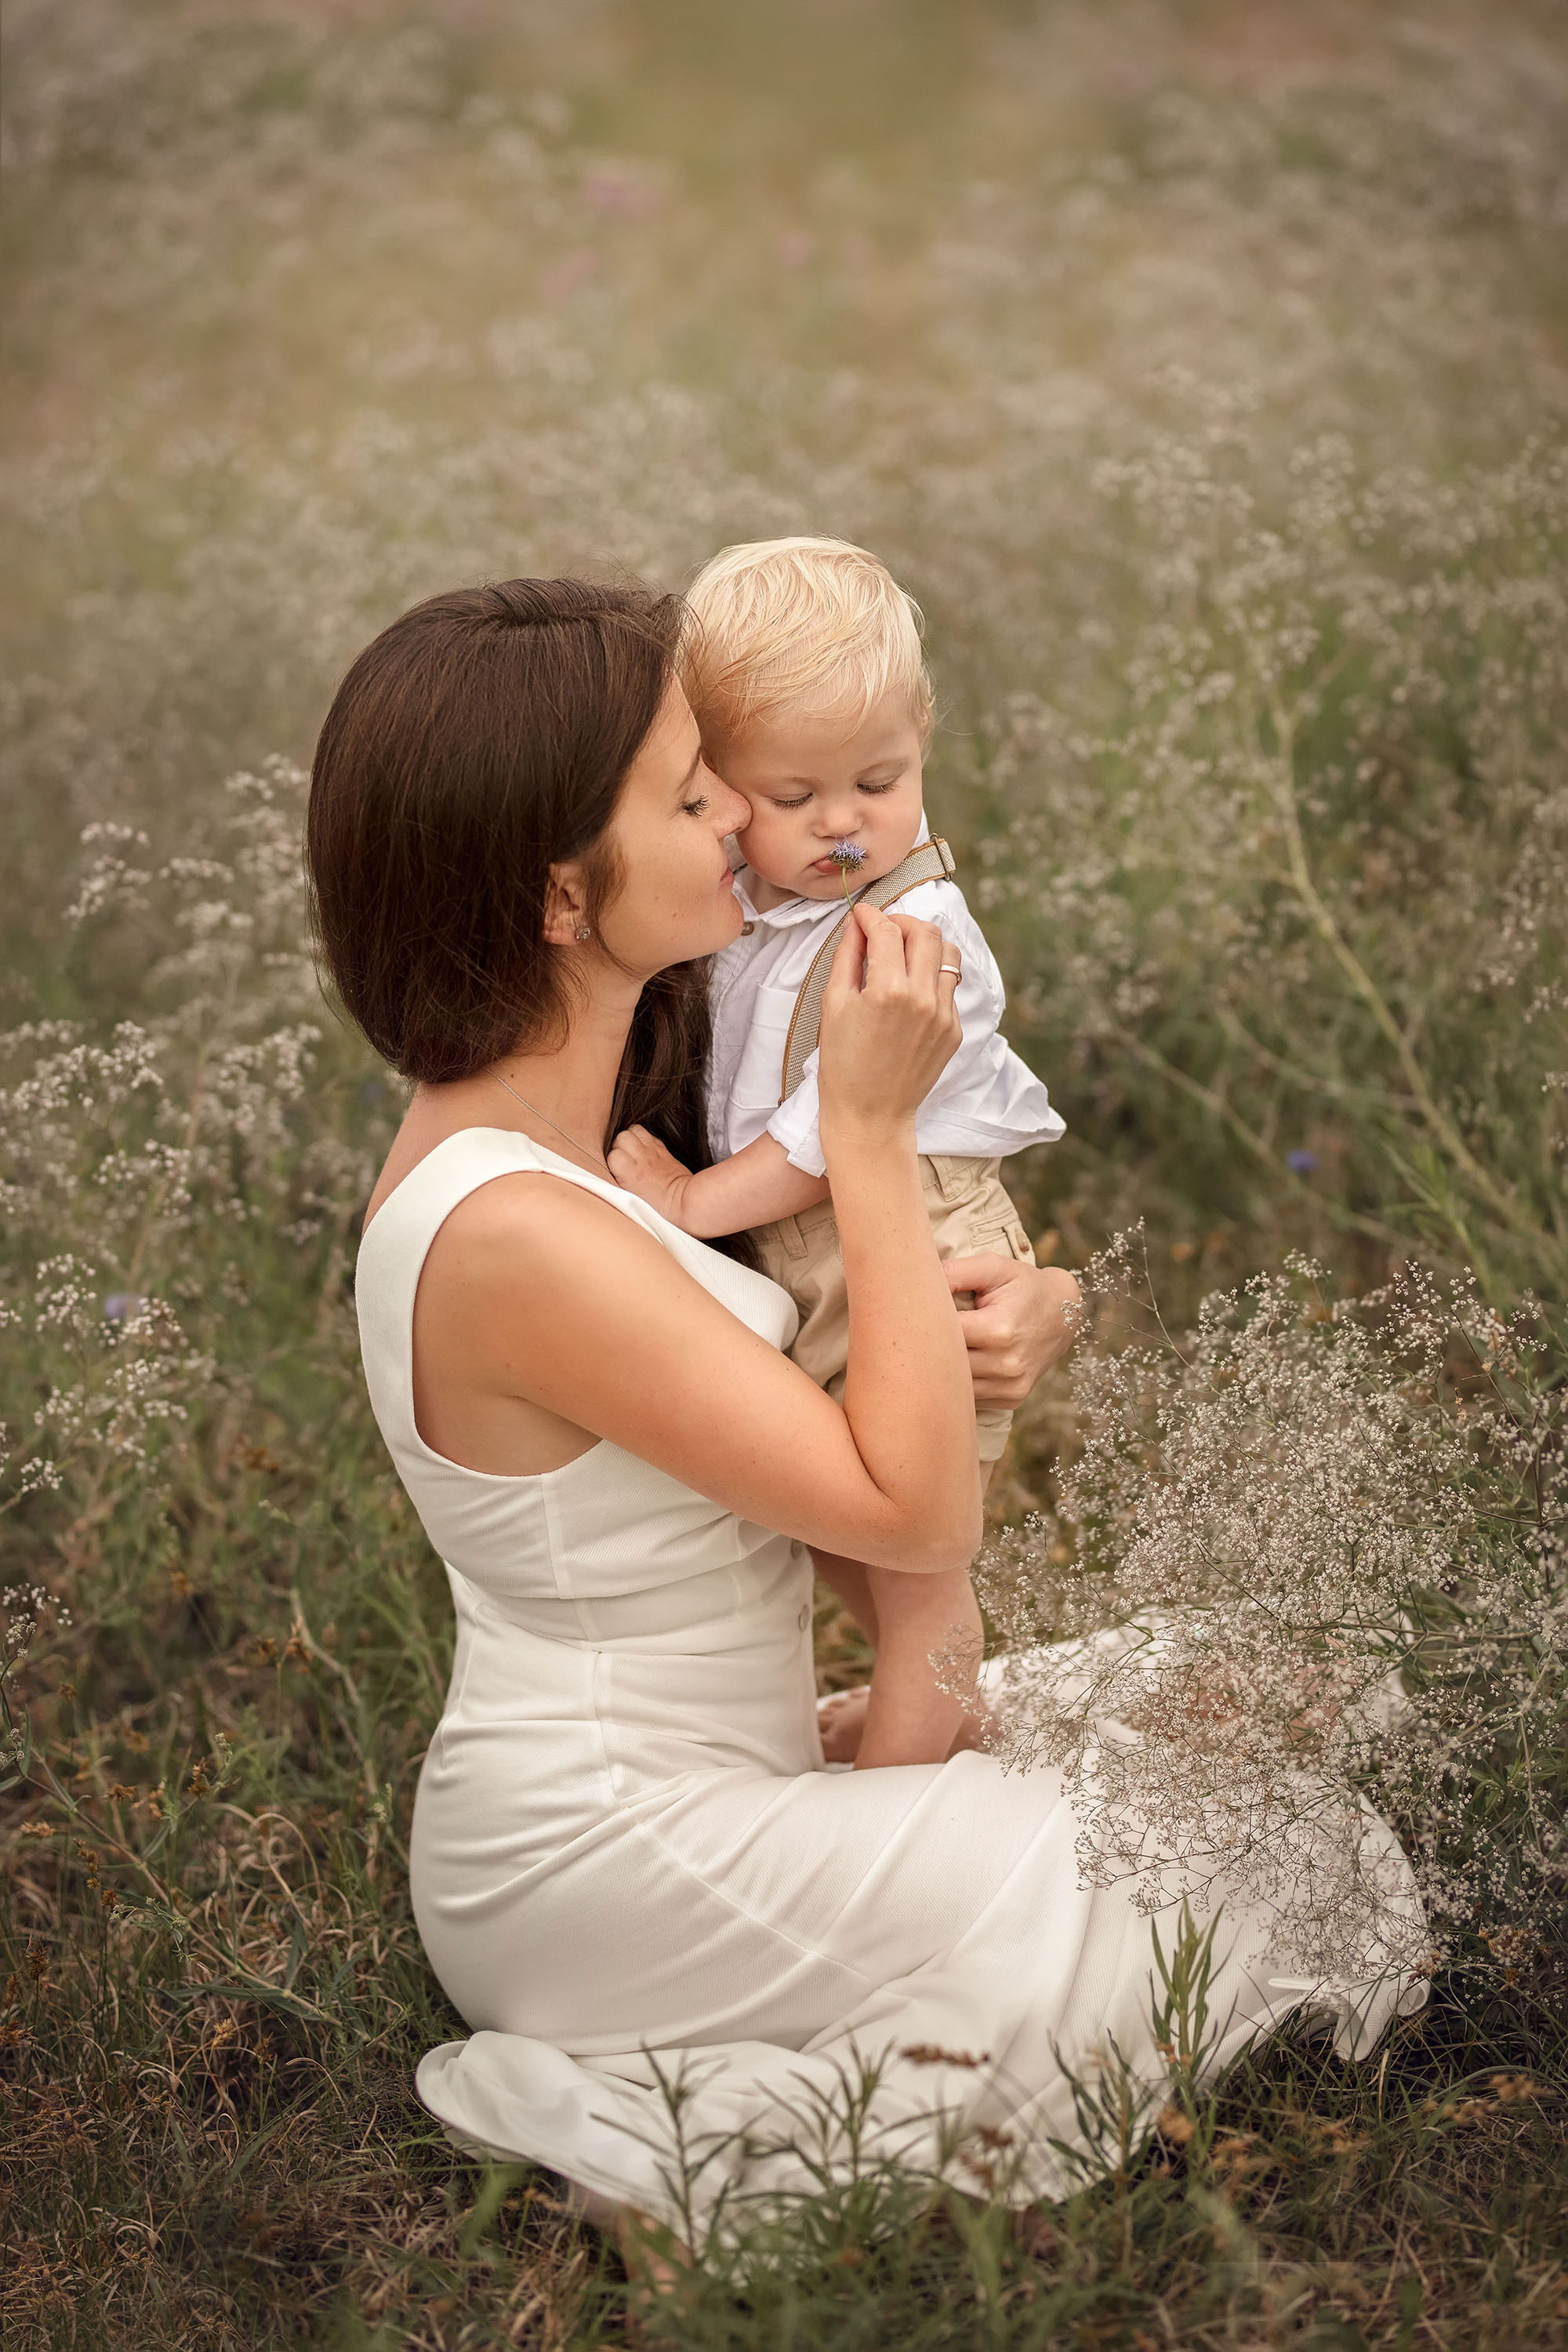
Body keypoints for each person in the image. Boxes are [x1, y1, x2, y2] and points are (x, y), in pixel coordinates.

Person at [310, 576, 1426, 2237]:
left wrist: (1019, 1306)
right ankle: (718, 2124)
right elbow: (906, 1508)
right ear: (562, 894)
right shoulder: (511, 1232)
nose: (741, 828)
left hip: (713, 1775)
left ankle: (862, 1864)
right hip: (604, 1862)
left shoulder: (580, 1134)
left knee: (1263, 1711)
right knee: (1230, 1861)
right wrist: (872, 1128)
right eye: (693, 798)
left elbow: (817, 1383)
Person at [610, 537, 1064, 1771]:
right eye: (793, 797)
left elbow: (836, 1123)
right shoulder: (747, 904)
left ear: (925, 739)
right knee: (835, 1525)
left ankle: (902, 1793)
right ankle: (925, 1705)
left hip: (907, 1235)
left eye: (881, 778)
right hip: (820, 1244)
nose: (845, 824)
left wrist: (702, 1202)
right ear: (713, 788)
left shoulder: (912, 926)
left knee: (918, 1558)